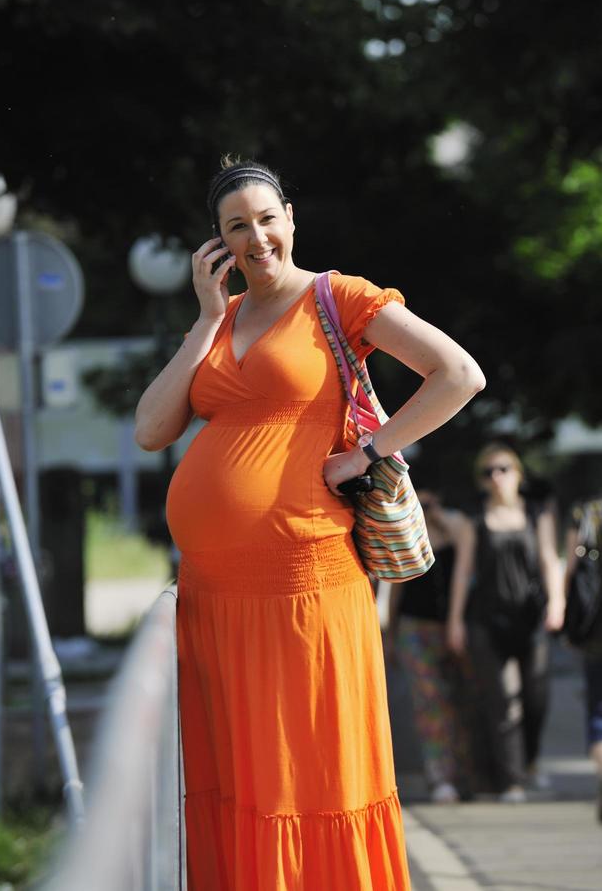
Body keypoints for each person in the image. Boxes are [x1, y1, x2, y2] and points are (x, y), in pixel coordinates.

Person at [135, 157, 485, 890]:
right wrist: (204, 318)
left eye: (266, 218)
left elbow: (458, 373)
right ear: (218, 244)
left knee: (310, 774)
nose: (256, 237)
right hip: (214, 598)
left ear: (290, 218)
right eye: (237, 227)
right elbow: (151, 429)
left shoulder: (339, 298)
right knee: (243, 779)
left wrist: (367, 453)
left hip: (305, 584)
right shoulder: (220, 320)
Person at [446, 442, 564, 802]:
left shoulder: (536, 513)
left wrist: (558, 601)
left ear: (518, 474)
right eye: (488, 472)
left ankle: (527, 763)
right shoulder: (474, 516)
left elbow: (548, 559)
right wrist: (455, 620)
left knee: (536, 696)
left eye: (503, 470)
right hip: (485, 617)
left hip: (529, 617)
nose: (496, 478)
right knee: (500, 701)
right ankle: (510, 780)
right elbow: (463, 570)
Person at [388, 486, 476, 804]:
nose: (427, 507)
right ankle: (440, 777)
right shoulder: (409, 529)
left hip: (453, 627)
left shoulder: (458, 528)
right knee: (430, 703)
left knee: (460, 700)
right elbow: (396, 584)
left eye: (432, 501)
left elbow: (465, 561)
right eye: (421, 501)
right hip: (414, 626)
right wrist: (390, 629)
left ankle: (465, 774)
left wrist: (439, 517)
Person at [564, 495, 602, 823]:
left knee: (598, 707)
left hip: (595, 629)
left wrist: (568, 619)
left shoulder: (589, 512)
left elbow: (571, 570)